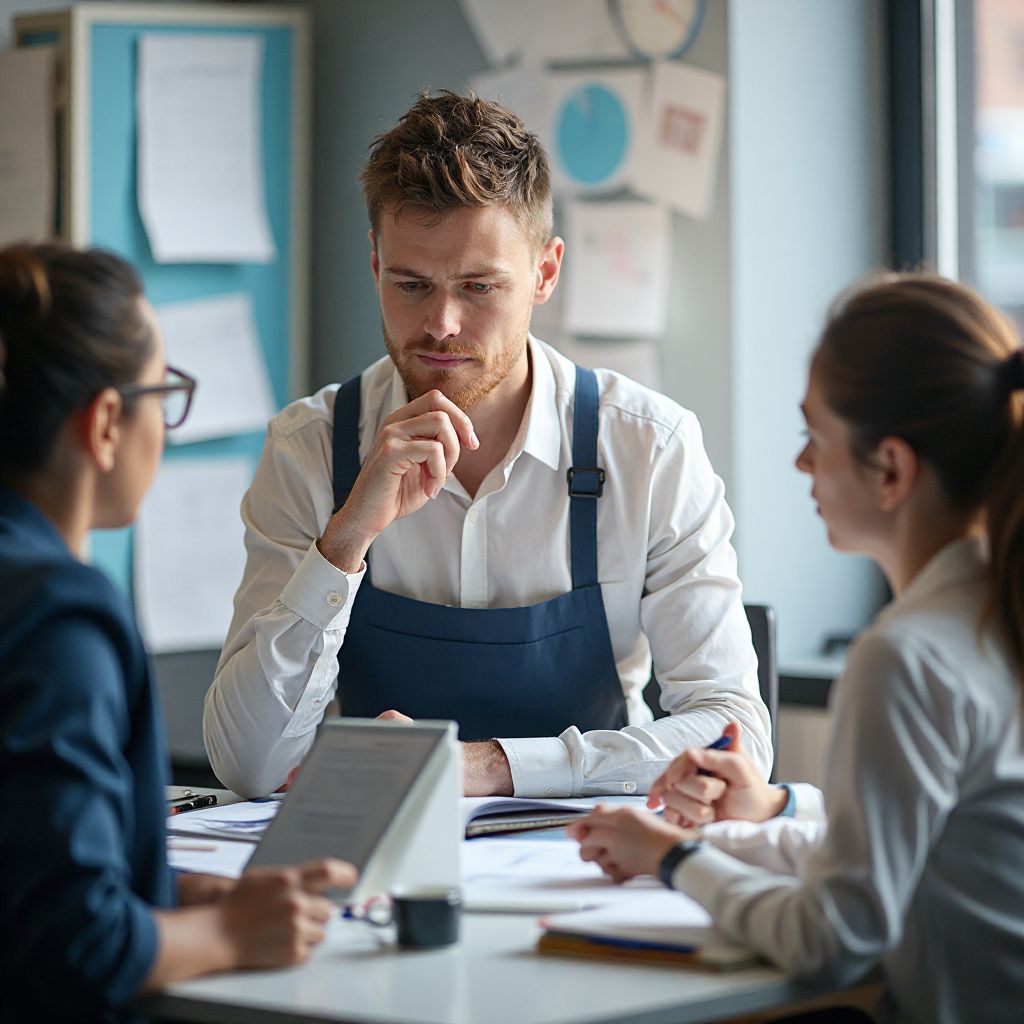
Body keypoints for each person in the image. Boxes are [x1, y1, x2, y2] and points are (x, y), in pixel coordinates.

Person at [203, 90, 771, 800]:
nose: (441, 323)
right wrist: (344, 541)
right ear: (375, 265)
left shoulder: (649, 449)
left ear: (545, 272)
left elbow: (733, 735)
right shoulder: (309, 446)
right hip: (373, 869)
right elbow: (247, 764)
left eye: (478, 287)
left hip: (587, 865)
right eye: (412, 284)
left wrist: (486, 767)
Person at [568, 273, 1024, 1024]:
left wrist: (674, 859)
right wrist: (771, 811)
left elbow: (834, 936)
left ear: (891, 469)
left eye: (814, 436)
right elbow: (931, 843)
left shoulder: (906, 659)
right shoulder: (989, 612)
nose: (801, 465)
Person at [0, 242, 355, 1022]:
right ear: (103, 425)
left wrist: (171, 893)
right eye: (162, 394)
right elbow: (73, 948)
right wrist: (230, 932)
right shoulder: (60, 615)